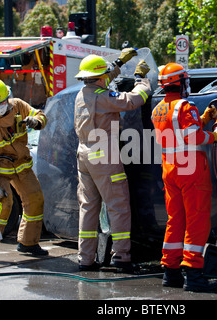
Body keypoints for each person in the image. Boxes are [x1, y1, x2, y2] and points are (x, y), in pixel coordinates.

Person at [74, 49, 151, 272]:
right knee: (118, 206)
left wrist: (117, 63)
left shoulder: (82, 94)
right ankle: (121, 257)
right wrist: (141, 80)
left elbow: (102, 78)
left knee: (88, 208)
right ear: (98, 78)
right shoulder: (103, 98)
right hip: (103, 157)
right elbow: (133, 100)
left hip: (84, 154)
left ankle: (85, 259)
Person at [151, 63, 217, 292]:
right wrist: (216, 135)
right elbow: (192, 137)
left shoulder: (159, 109)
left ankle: (171, 273)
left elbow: (180, 134)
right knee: (197, 220)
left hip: (170, 170)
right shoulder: (184, 105)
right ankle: (194, 274)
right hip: (190, 170)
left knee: (175, 220)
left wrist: (202, 120)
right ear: (180, 82)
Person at [0, 78, 48, 264]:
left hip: (22, 166)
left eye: (3, 102)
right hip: (0, 171)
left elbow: (40, 115)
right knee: (2, 206)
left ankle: (28, 243)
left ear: (9, 97)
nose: (0, 106)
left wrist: (36, 122)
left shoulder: (18, 106)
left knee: (36, 199)